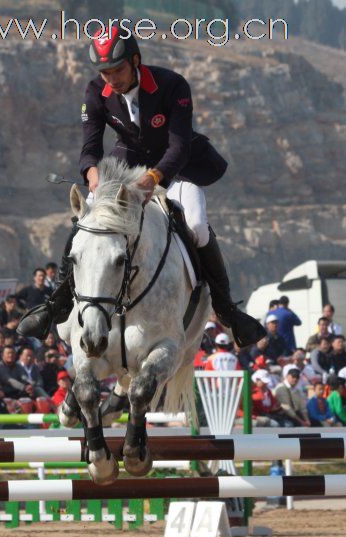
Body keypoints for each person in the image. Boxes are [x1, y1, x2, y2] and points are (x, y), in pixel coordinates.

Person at [17, 25, 265, 349]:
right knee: (88, 219)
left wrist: (153, 179)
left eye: (116, 70)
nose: (111, 79)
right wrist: (92, 174)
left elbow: (178, 148)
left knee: (196, 226)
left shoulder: (172, 85)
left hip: (179, 167)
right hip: (128, 163)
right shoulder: (96, 91)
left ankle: (227, 308)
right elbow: (90, 147)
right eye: (104, 72)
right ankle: (57, 304)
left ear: (135, 60)